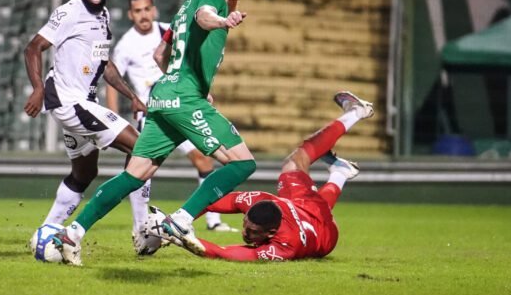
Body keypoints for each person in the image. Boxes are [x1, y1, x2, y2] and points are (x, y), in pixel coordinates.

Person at [53, 0, 255, 266]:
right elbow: (205, 16)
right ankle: (181, 220)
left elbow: (162, 53)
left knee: (136, 173)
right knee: (242, 164)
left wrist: (195, 85)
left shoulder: (183, 6)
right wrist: (222, 21)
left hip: (162, 95)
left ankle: (72, 233)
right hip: (183, 97)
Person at [151, 91, 374, 261]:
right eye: (246, 225)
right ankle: (343, 162)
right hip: (300, 206)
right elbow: (209, 202)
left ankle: (353, 123)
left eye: (254, 232)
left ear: (271, 233)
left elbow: (224, 253)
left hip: (324, 235)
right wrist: (176, 221)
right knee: (295, 165)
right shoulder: (256, 201)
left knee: (311, 195)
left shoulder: (287, 245)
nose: (246, 234)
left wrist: (184, 240)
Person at [23, 0, 147, 228]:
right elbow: (33, 48)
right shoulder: (69, 12)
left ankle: (46, 233)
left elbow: (104, 65)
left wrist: (131, 96)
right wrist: (37, 88)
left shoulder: (103, 16)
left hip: (82, 103)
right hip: (70, 103)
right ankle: (142, 227)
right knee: (141, 148)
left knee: (85, 173)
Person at [106, 0, 236, 236]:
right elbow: (113, 81)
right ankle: (141, 225)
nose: (143, 15)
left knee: (203, 158)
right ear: (130, 15)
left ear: (153, 10)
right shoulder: (126, 45)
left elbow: (186, 60)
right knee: (142, 170)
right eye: (137, 11)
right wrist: (114, 118)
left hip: (180, 104)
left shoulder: (168, 30)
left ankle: (213, 220)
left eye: (146, 9)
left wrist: (197, 88)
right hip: (153, 112)